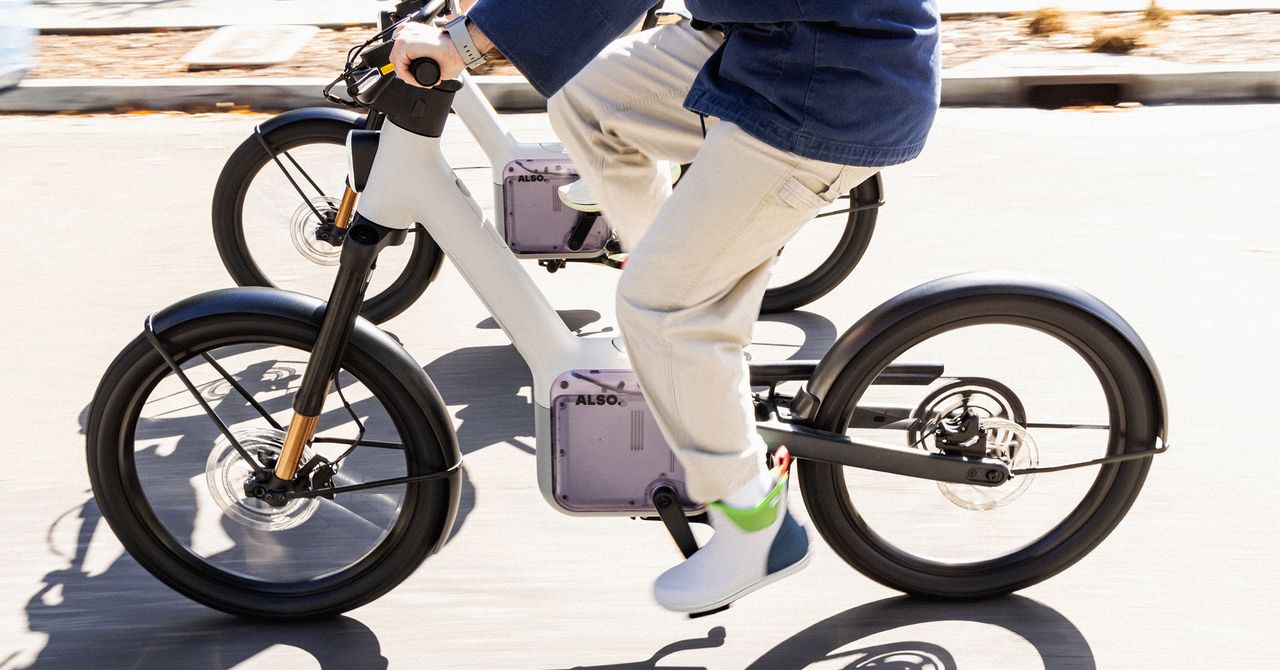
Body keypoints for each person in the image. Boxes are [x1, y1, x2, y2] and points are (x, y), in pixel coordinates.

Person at [391, 0, 940, 615]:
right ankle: (684, 331)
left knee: (660, 308)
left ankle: (755, 526)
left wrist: (466, 40)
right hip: (770, 46)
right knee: (587, 97)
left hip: (828, 87)